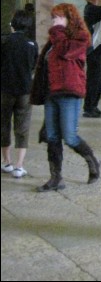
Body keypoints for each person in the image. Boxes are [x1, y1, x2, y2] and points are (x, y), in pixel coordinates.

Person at [35, 3, 101, 192]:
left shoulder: (80, 38)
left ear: (69, 19)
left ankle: (93, 162)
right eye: (53, 17)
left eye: (58, 17)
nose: (54, 21)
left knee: (70, 137)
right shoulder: (55, 39)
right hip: (51, 93)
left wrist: (57, 31)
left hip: (69, 92)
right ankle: (56, 178)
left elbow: (66, 52)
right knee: (52, 136)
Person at [1, 10, 38, 178]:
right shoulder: (32, 44)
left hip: (4, 89)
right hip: (25, 90)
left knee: (3, 125)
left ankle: (6, 162)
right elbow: (33, 66)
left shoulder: (4, 41)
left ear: (13, 23)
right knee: (22, 127)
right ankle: (19, 165)